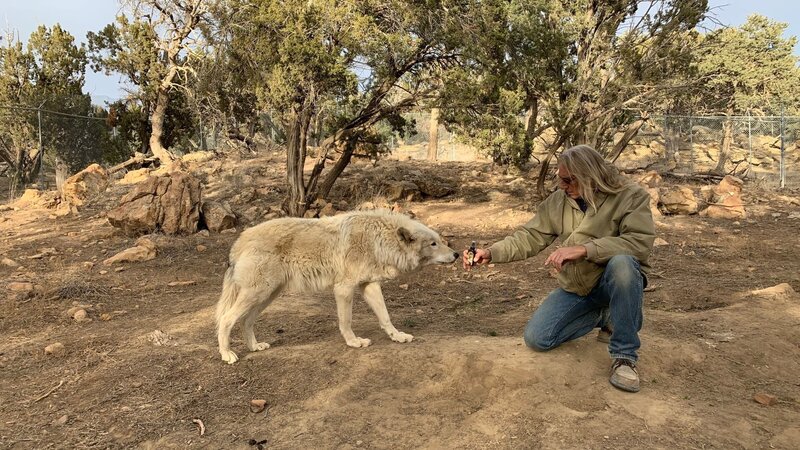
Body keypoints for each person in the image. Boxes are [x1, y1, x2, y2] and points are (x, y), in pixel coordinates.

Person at [463, 145, 655, 392]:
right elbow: (530, 235)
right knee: (538, 338)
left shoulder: (631, 195)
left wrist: (585, 249)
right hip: (580, 287)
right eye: (559, 179)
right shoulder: (559, 201)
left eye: (567, 180)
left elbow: (639, 243)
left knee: (624, 264)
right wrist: (492, 253)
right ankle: (608, 316)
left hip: (613, 282)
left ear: (589, 176)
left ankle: (624, 357)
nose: (562, 186)